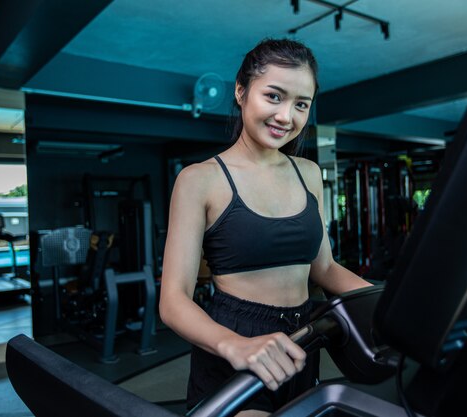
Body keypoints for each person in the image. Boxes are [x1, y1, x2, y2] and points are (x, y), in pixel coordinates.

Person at [159, 38, 371, 416]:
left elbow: (324, 268)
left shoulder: (308, 173)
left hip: (302, 341)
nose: (286, 116)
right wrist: (234, 345)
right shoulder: (200, 179)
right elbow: (174, 300)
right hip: (233, 344)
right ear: (241, 92)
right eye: (274, 96)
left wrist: (388, 303)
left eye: (300, 104)